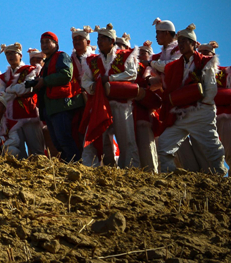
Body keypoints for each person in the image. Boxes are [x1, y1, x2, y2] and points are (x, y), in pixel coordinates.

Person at [156, 24, 226, 175]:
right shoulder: (175, 66)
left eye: (184, 42)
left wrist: (199, 105)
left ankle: (220, 177)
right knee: (163, 145)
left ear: (193, 44)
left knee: (212, 147)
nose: (180, 45)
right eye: (179, 42)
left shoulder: (205, 62)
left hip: (200, 113)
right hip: (181, 114)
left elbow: (210, 89)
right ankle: (168, 174)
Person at [81, 24, 140, 168]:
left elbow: (132, 73)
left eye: (103, 39)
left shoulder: (125, 55)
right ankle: (97, 168)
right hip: (100, 104)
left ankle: (132, 170)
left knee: (126, 139)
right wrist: (93, 87)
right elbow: (85, 80)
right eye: (98, 39)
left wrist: (110, 79)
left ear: (112, 41)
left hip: (121, 104)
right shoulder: (92, 60)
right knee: (97, 138)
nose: (99, 42)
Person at [26, 32, 84, 162]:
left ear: (56, 44)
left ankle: (76, 165)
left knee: (64, 138)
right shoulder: (47, 62)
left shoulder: (61, 56)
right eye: (42, 42)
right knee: (57, 142)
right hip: (50, 107)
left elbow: (66, 75)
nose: (44, 45)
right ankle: (67, 166)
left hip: (60, 105)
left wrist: (44, 81)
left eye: (48, 41)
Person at [0, 42, 44, 158]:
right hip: (12, 118)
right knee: (18, 151)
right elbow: (0, 96)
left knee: (37, 150)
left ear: (20, 55)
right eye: (8, 54)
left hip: (29, 113)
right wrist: (15, 91)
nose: (10, 56)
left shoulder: (30, 70)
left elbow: (27, 88)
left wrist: (9, 89)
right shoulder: (2, 77)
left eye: (13, 53)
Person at [198, 41, 231, 176]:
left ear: (213, 55)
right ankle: (212, 175)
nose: (204, 56)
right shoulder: (195, 74)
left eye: (206, 53)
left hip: (224, 115)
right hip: (204, 117)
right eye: (201, 53)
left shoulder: (226, 71)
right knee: (207, 148)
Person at [133, 41, 161, 172]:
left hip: (148, 115)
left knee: (149, 149)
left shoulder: (154, 70)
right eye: (138, 53)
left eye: (143, 53)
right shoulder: (134, 68)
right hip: (132, 113)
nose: (139, 56)